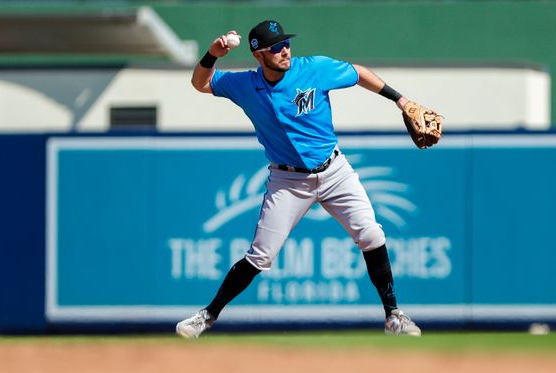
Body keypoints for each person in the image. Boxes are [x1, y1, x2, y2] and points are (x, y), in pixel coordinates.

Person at [177, 19, 424, 338]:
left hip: (335, 171)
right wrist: (212, 54)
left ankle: (394, 316)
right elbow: (201, 83)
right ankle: (206, 317)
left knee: (372, 235)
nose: (284, 50)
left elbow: (358, 72)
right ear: (258, 55)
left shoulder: (314, 69)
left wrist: (400, 100)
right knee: (260, 255)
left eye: (286, 43)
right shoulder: (244, 85)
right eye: (275, 47)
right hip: (288, 181)